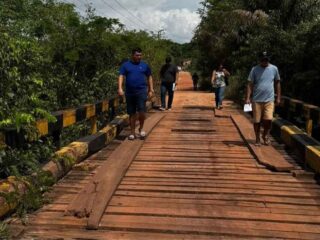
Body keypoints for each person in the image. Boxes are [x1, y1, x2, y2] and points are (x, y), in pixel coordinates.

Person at [245, 51, 281, 146]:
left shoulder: (274, 69)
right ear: (260, 60)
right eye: (262, 60)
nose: (264, 61)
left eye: (266, 59)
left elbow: (277, 82)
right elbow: (250, 84)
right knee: (257, 121)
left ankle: (265, 135)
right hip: (256, 99)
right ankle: (257, 138)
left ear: (268, 59)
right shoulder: (254, 69)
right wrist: (248, 97)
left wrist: (278, 97)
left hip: (269, 99)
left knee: (268, 119)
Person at [118, 48, 154, 140]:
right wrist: (120, 88)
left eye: (140, 55)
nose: (139, 57)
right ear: (133, 55)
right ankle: (132, 132)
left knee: (142, 112)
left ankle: (141, 128)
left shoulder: (144, 65)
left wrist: (151, 89)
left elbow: (149, 76)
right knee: (132, 113)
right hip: (130, 93)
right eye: (137, 55)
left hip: (141, 92)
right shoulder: (126, 65)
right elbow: (121, 76)